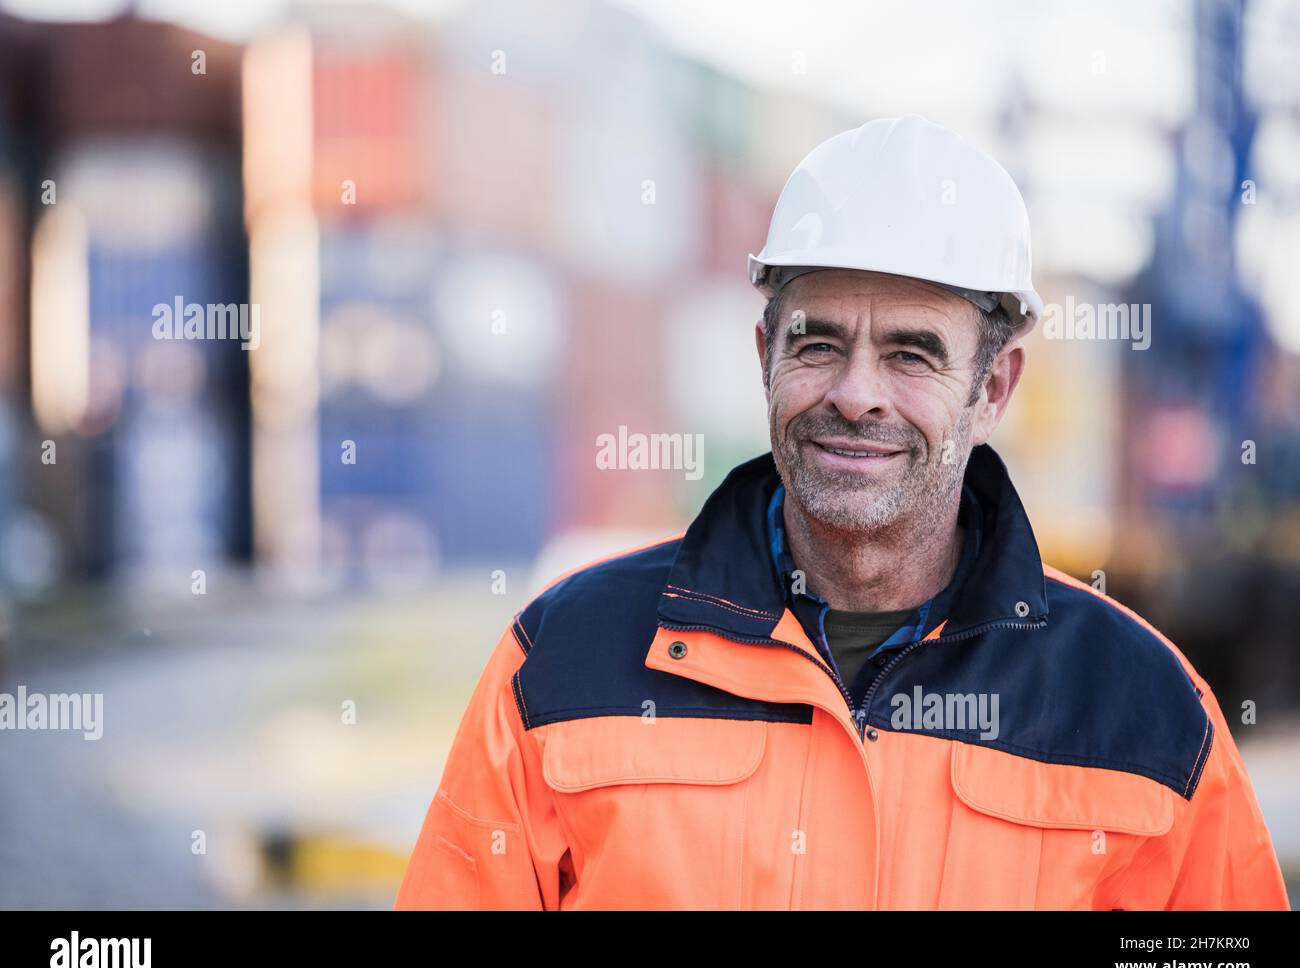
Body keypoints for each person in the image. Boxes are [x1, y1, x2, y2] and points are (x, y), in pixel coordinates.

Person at [395, 115, 1290, 909]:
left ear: (993, 387)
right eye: (819, 342)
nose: (858, 395)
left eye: (912, 353)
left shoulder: (1146, 712)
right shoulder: (558, 666)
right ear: (765, 357)